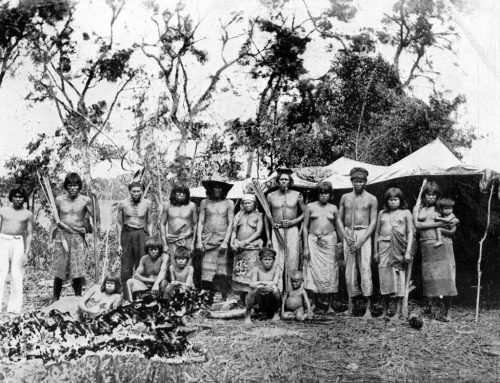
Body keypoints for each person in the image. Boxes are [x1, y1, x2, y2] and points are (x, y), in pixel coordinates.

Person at [413, 181, 458, 321]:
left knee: (447, 279)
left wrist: (450, 224)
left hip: (442, 244)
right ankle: (433, 311)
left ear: (437, 196)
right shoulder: (419, 208)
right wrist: (438, 223)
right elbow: (417, 224)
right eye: (428, 194)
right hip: (426, 246)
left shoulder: (441, 208)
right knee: (430, 280)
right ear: (424, 195)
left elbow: (452, 223)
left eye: (433, 195)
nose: (431, 197)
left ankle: (448, 312)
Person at [336, 167, 378, 317]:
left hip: (364, 234)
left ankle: (368, 308)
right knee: (349, 271)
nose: (358, 184)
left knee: (365, 270)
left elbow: (373, 222)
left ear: (365, 182)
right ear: (351, 181)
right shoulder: (345, 197)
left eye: (361, 181)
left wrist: (361, 241)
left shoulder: (371, 198)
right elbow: (339, 220)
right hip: (348, 233)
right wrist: (345, 236)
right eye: (355, 181)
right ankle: (351, 306)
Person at [53, 173, 95, 301]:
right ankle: (55, 299)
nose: (73, 188)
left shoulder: (85, 200)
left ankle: (77, 298)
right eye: (70, 185)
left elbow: (96, 216)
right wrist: (52, 238)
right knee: (59, 268)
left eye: (75, 185)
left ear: (79, 187)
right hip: (62, 237)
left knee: (77, 268)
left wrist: (96, 199)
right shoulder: (59, 200)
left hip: (77, 236)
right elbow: (54, 220)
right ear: (66, 186)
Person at [374, 188, 414, 319]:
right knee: (384, 279)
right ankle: (385, 311)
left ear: (400, 200)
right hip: (383, 246)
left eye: (395, 199)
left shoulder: (406, 212)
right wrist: (375, 251)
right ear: (387, 201)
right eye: (390, 200)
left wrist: (408, 251)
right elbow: (376, 233)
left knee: (399, 279)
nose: (393, 202)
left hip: (399, 247)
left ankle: (397, 312)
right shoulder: (382, 213)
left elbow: (410, 232)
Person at [303, 181, 340, 314]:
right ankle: (313, 303)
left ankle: (330, 305)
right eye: (321, 193)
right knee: (313, 271)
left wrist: (340, 245)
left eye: (326, 193)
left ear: (330, 195)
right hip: (313, 241)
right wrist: (305, 247)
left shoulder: (334, 208)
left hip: (330, 241)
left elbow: (338, 226)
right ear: (317, 194)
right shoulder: (310, 207)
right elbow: (305, 228)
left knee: (331, 271)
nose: (323, 196)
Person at [266, 168, 305, 291]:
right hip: (277, 230)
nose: (284, 182)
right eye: (281, 179)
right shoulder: (270, 196)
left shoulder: (297, 195)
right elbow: (267, 217)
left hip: (292, 230)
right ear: (278, 181)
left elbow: (305, 213)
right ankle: (277, 291)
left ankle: (291, 292)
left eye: (286, 179)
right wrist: (268, 237)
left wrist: (293, 221)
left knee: (292, 260)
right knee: (277, 260)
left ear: (290, 181)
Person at [197, 175, 234, 301]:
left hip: (222, 239)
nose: (217, 189)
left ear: (224, 189)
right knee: (206, 270)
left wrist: (225, 241)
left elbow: (231, 223)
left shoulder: (229, 203)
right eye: (215, 187)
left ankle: (224, 299)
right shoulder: (204, 203)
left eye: (220, 187)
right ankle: (206, 299)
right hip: (207, 240)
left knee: (222, 270)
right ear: (210, 189)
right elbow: (200, 222)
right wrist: (198, 240)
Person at [0, 186, 33, 314]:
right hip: (3, 240)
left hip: (18, 242)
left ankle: (14, 307)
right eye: (16, 196)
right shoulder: (3, 211)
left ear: (24, 199)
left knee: (16, 274)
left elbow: (29, 233)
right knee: (1, 272)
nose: (18, 199)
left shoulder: (27, 214)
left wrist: (27, 251)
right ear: (11, 197)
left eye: (20, 197)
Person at [117, 181, 153, 288]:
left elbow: (150, 222)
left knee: (142, 262)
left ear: (142, 192)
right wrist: (119, 244)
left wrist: (151, 240)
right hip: (127, 234)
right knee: (126, 265)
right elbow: (119, 223)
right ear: (129, 191)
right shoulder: (122, 204)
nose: (136, 194)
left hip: (141, 234)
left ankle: (141, 291)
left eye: (138, 191)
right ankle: (125, 293)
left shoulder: (147, 203)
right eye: (134, 191)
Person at [231, 193, 264, 306]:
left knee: (250, 274)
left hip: (251, 249)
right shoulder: (239, 216)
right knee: (239, 273)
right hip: (239, 249)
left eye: (249, 203)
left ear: (254, 204)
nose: (246, 205)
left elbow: (258, 232)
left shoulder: (259, 215)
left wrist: (246, 242)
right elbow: (234, 230)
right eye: (244, 203)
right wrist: (233, 241)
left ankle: (251, 300)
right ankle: (241, 298)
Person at [160, 184, 198, 265]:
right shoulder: (167, 206)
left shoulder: (192, 206)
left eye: (184, 193)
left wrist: (193, 243)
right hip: (172, 240)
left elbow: (195, 225)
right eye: (179, 192)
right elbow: (162, 224)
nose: (181, 195)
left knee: (188, 264)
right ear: (174, 193)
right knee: (173, 264)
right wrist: (164, 244)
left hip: (187, 239)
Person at [244, 248, 280, 325]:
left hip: (270, 295)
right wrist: (263, 286)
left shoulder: (276, 269)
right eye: (265, 259)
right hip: (259, 295)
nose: (267, 262)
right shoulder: (256, 269)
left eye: (270, 259)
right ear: (260, 260)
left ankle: (276, 313)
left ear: (273, 260)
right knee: (252, 290)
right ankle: (247, 315)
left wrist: (260, 283)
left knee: (275, 290)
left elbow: (275, 282)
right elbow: (253, 284)